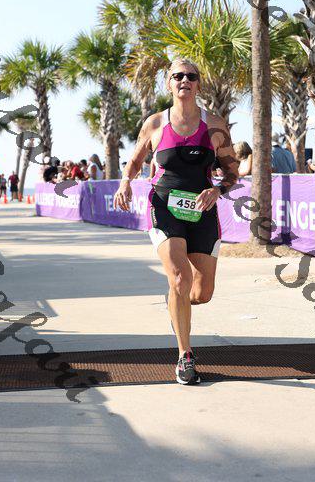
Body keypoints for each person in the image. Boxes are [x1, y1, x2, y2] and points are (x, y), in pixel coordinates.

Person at [114, 58, 239, 385]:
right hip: (164, 207)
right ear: (168, 83)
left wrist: (217, 189)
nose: (184, 80)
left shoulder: (214, 126)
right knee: (181, 278)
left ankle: (176, 302)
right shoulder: (155, 123)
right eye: (178, 76)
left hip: (202, 211)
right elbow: (135, 161)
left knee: (201, 292)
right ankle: (185, 356)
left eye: (191, 76)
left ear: (198, 83)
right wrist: (125, 182)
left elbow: (232, 172)